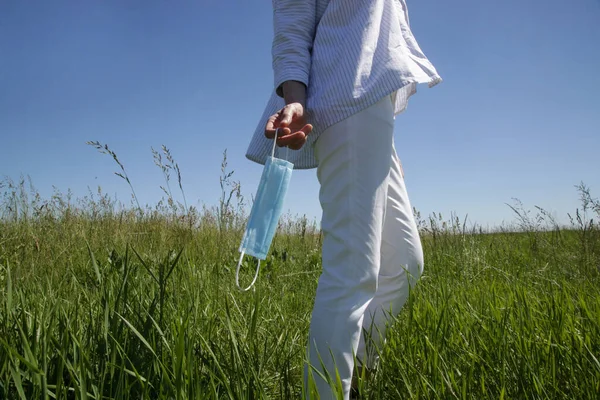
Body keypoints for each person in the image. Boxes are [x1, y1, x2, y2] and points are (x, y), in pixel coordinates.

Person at [245, 1, 441, 398]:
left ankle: (353, 371)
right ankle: (328, 389)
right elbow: (293, 22)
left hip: (374, 107)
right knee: (352, 271)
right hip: (344, 94)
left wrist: (388, 147)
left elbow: (379, 38)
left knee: (405, 263)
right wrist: (294, 98)